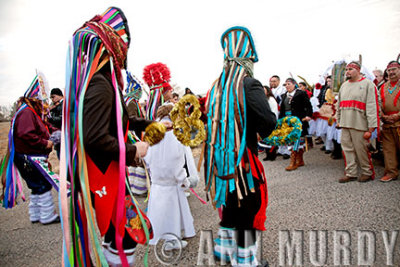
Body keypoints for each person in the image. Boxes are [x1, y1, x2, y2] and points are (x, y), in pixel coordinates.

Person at [60, 7, 165, 266]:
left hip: (108, 169)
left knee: (118, 233)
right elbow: (94, 137)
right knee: (122, 235)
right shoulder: (100, 84)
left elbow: (120, 121)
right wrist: (134, 151)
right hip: (101, 172)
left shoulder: (103, 81)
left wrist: (155, 124)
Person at [204, 26, 276, 266]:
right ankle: (245, 261)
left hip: (220, 160)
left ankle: (223, 251)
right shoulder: (249, 84)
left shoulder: (216, 86)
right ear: (247, 60)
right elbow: (267, 122)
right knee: (248, 206)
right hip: (243, 160)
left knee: (230, 202)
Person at [2, 73, 60, 225]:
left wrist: (56, 132)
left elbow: (45, 125)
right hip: (28, 157)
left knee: (35, 186)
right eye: (42, 98)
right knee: (43, 184)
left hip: (26, 156)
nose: (44, 102)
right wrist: (44, 143)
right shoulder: (27, 111)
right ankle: (47, 216)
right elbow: (26, 134)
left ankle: (35, 215)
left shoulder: (30, 110)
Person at [144, 104, 198, 248]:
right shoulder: (175, 137)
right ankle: (173, 240)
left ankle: (166, 239)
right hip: (172, 184)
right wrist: (184, 180)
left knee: (160, 213)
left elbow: (147, 159)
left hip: (157, 184)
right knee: (173, 214)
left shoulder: (152, 136)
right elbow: (176, 162)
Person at [336, 61, 379, 183]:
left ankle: (367, 172)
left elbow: (372, 106)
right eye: (346, 69)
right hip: (345, 123)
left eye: (350, 69)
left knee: (362, 150)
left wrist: (371, 127)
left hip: (360, 124)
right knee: (347, 149)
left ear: (358, 70)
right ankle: (351, 172)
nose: (347, 72)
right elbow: (339, 105)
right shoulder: (344, 85)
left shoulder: (368, 85)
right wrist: (338, 120)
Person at [279, 78, 313, 171]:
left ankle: (294, 162)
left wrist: (308, 115)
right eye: (285, 84)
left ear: (294, 84)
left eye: (289, 84)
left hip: (299, 120)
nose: (287, 86)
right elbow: (282, 110)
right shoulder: (284, 96)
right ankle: (300, 160)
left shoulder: (301, 93)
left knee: (298, 140)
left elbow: (308, 105)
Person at [379, 60, 400, 182]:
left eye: (394, 70)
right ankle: (391, 172)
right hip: (387, 124)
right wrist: (382, 115)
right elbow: (379, 103)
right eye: (389, 70)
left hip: (399, 122)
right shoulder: (383, 87)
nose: (391, 72)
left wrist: (398, 115)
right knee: (388, 150)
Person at [260, 85, 279, 161]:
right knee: (266, 140)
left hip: (271, 121)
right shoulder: (261, 99)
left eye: (264, 90)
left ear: (268, 91)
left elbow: (274, 111)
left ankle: (272, 155)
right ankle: (268, 155)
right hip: (264, 122)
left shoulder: (271, 99)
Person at [48, 88, 63, 158]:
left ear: (60, 95)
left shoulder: (64, 105)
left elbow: (62, 119)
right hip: (57, 136)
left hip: (64, 135)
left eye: (53, 97)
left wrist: (51, 119)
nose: (52, 99)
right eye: (51, 98)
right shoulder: (53, 106)